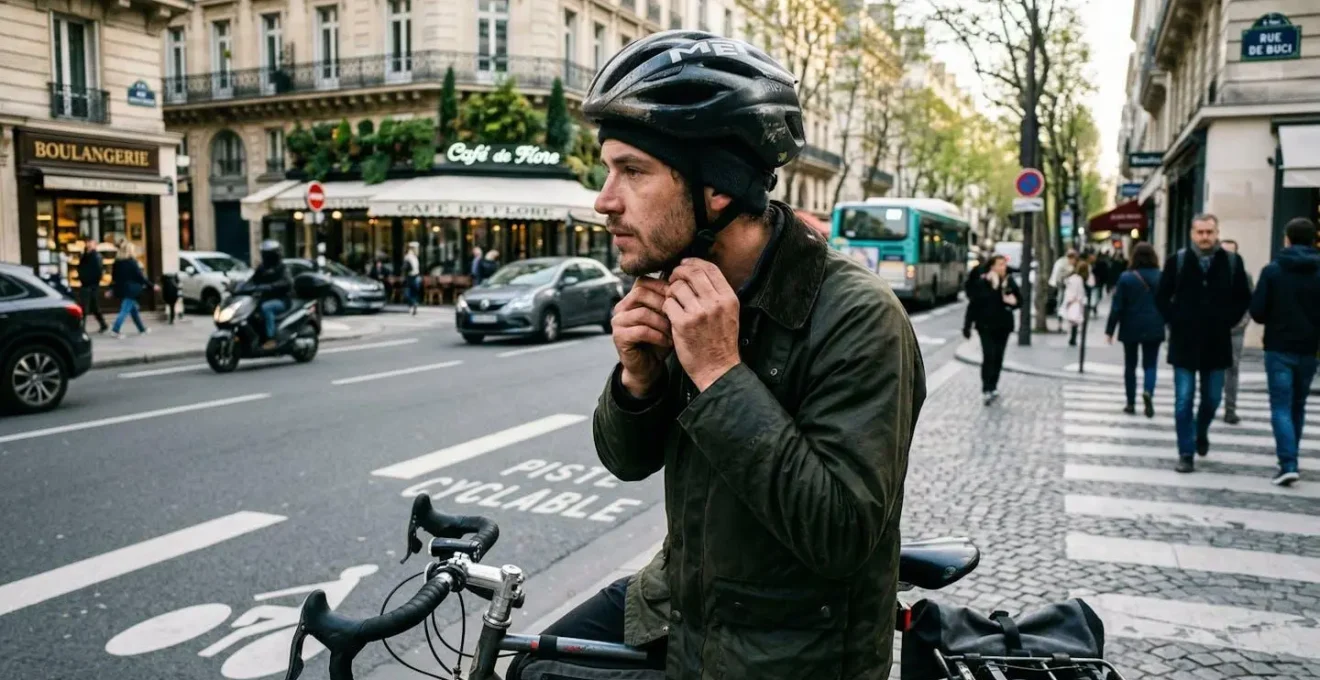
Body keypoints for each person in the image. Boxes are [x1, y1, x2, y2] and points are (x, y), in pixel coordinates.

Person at [510, 30, 925, 680]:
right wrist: (638, 381)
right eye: (607, 168)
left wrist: (719, 372)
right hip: (681, 602)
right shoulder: (692, 279)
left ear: (720, 189)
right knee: (529, 669)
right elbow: (625, 460)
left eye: (633, 171)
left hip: (788, 653)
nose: (604, 198)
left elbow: (841, 534)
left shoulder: (862, 317)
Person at [1155, 214, 1252, 473]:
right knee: (1183, 399)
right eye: (1200, 232)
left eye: (1210, 232)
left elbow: (1243, 297)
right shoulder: (1178, 261)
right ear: (1192, 233)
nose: (1205, 237)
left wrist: (1227, 320)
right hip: (1184, 342)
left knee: (1212, 399)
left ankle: (1200, 431)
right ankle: (1185, 453)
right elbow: (1162, 296)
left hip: (1217, 342)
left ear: (1217, 232)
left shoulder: (1232, 262)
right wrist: (1174, 320)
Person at [1249, 217, 1320, 486]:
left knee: (1280, 405)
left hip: (1278, 346)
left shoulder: (1273, 271)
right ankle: (1292, 457)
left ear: (1286, 239)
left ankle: (1288, 462)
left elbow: (1257, 312)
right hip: (1309, 348)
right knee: (1297, 405)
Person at [1105, 243, 1165, 417]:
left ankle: (1130, 403)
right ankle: (1148, 391)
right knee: (1150, 364)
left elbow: (1117, 306)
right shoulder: (1161, 277)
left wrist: (1110, 330)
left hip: (1130, 325)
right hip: (1154, 325)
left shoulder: (1126, 278)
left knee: (1130, 365)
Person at [963, 254, 1019, 405]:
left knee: (998, 357)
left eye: (1004, 264)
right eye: (1000, 264)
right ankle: (986, 388)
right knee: (989, 355)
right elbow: (973, 304)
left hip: (1003, 326)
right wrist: (967, 326)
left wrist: (1011, 300)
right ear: (992, 266)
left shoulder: (1008, 281)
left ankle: (993, 385)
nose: (1003, 267)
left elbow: (1020, 300)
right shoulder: (983, 282)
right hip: (985, 325)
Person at [1220, 239, 1253, 424]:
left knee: (1232, 369)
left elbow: (1250, 300)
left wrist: (1242, 323)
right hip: (1214, 329)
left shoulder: (1243, 275)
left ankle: (1230, 408)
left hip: (1235, 330)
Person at [249, 240, 293, 350]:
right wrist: (237, 286)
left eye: (268, 254)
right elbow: (252, 280)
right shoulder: (262, 268)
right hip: (264, 298)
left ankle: (271, 338)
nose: (265, 256)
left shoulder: (282, 268)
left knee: (266, 308)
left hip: (282, 300)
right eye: (264, 253)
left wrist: (273, 286)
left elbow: (288, 282)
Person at [109, 242, 151, 338]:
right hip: (131, 290)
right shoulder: (132, 262)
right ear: (130, 251)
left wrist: (111, 289)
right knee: (124, 310)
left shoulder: (117, 263)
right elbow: (140, 277)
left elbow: (114, 278)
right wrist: (151, 286)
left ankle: (142, 329)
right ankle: (115, 330)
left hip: (121, 289)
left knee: (133, 310)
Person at [76, 240, 108, 333]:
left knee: (88, 307)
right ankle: (103, 324)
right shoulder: (85, 256)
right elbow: (80, 267)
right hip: (87, 284)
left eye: (91, 245)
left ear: (95, 246)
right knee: (90, 306)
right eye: (88, 244)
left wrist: (90, 280)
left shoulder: (96, 256)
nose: (89, 246)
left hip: (91, 285)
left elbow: (98, 271)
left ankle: (83, 328)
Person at [1063, 261, 1091, 346]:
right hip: (1075, 302)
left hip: (1074, 301)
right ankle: (1072, 339)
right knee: (1074, 321)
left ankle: (1073, 338)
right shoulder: (1078, 279)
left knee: (1074, 321)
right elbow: (1077, 292)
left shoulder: (1075, 278)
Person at [402, 242, 421, 315]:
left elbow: (405, 268)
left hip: (411, 277)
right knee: (413, 292)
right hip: (415, 276)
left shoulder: (408, 257)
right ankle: (414, 304)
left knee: (409, 293)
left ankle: (412, 305)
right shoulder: (413, 257)